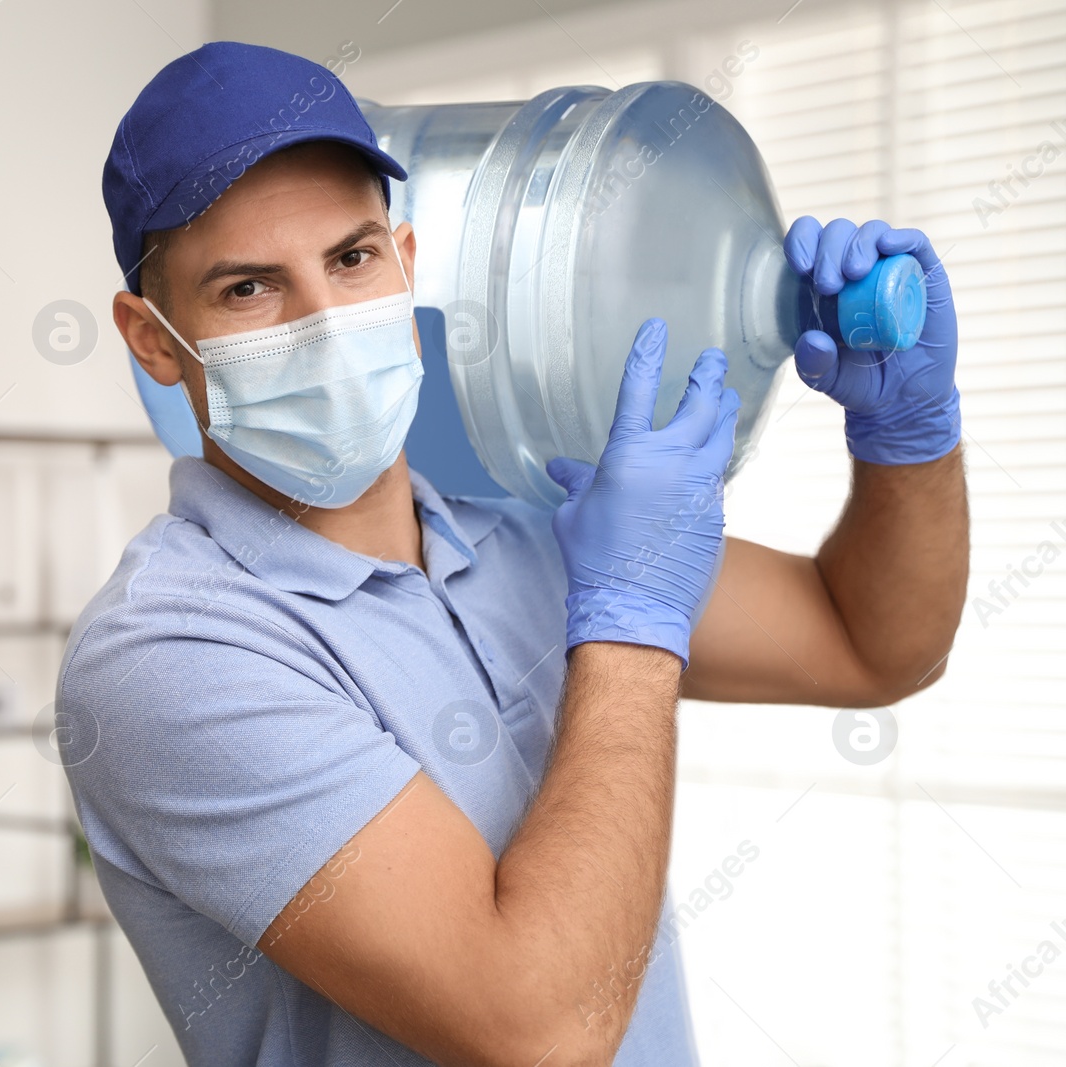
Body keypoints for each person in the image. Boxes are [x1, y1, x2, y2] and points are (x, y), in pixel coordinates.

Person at [56, 41, 967, 1067]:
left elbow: (874, 643)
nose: (322, 320)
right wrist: (626, 619)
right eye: (247, 288)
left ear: (405, 259)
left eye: (351, 258)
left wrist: (906, 438)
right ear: (152, 339)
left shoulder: (523, 523)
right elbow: (539, 1028)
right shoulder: (172, 655)